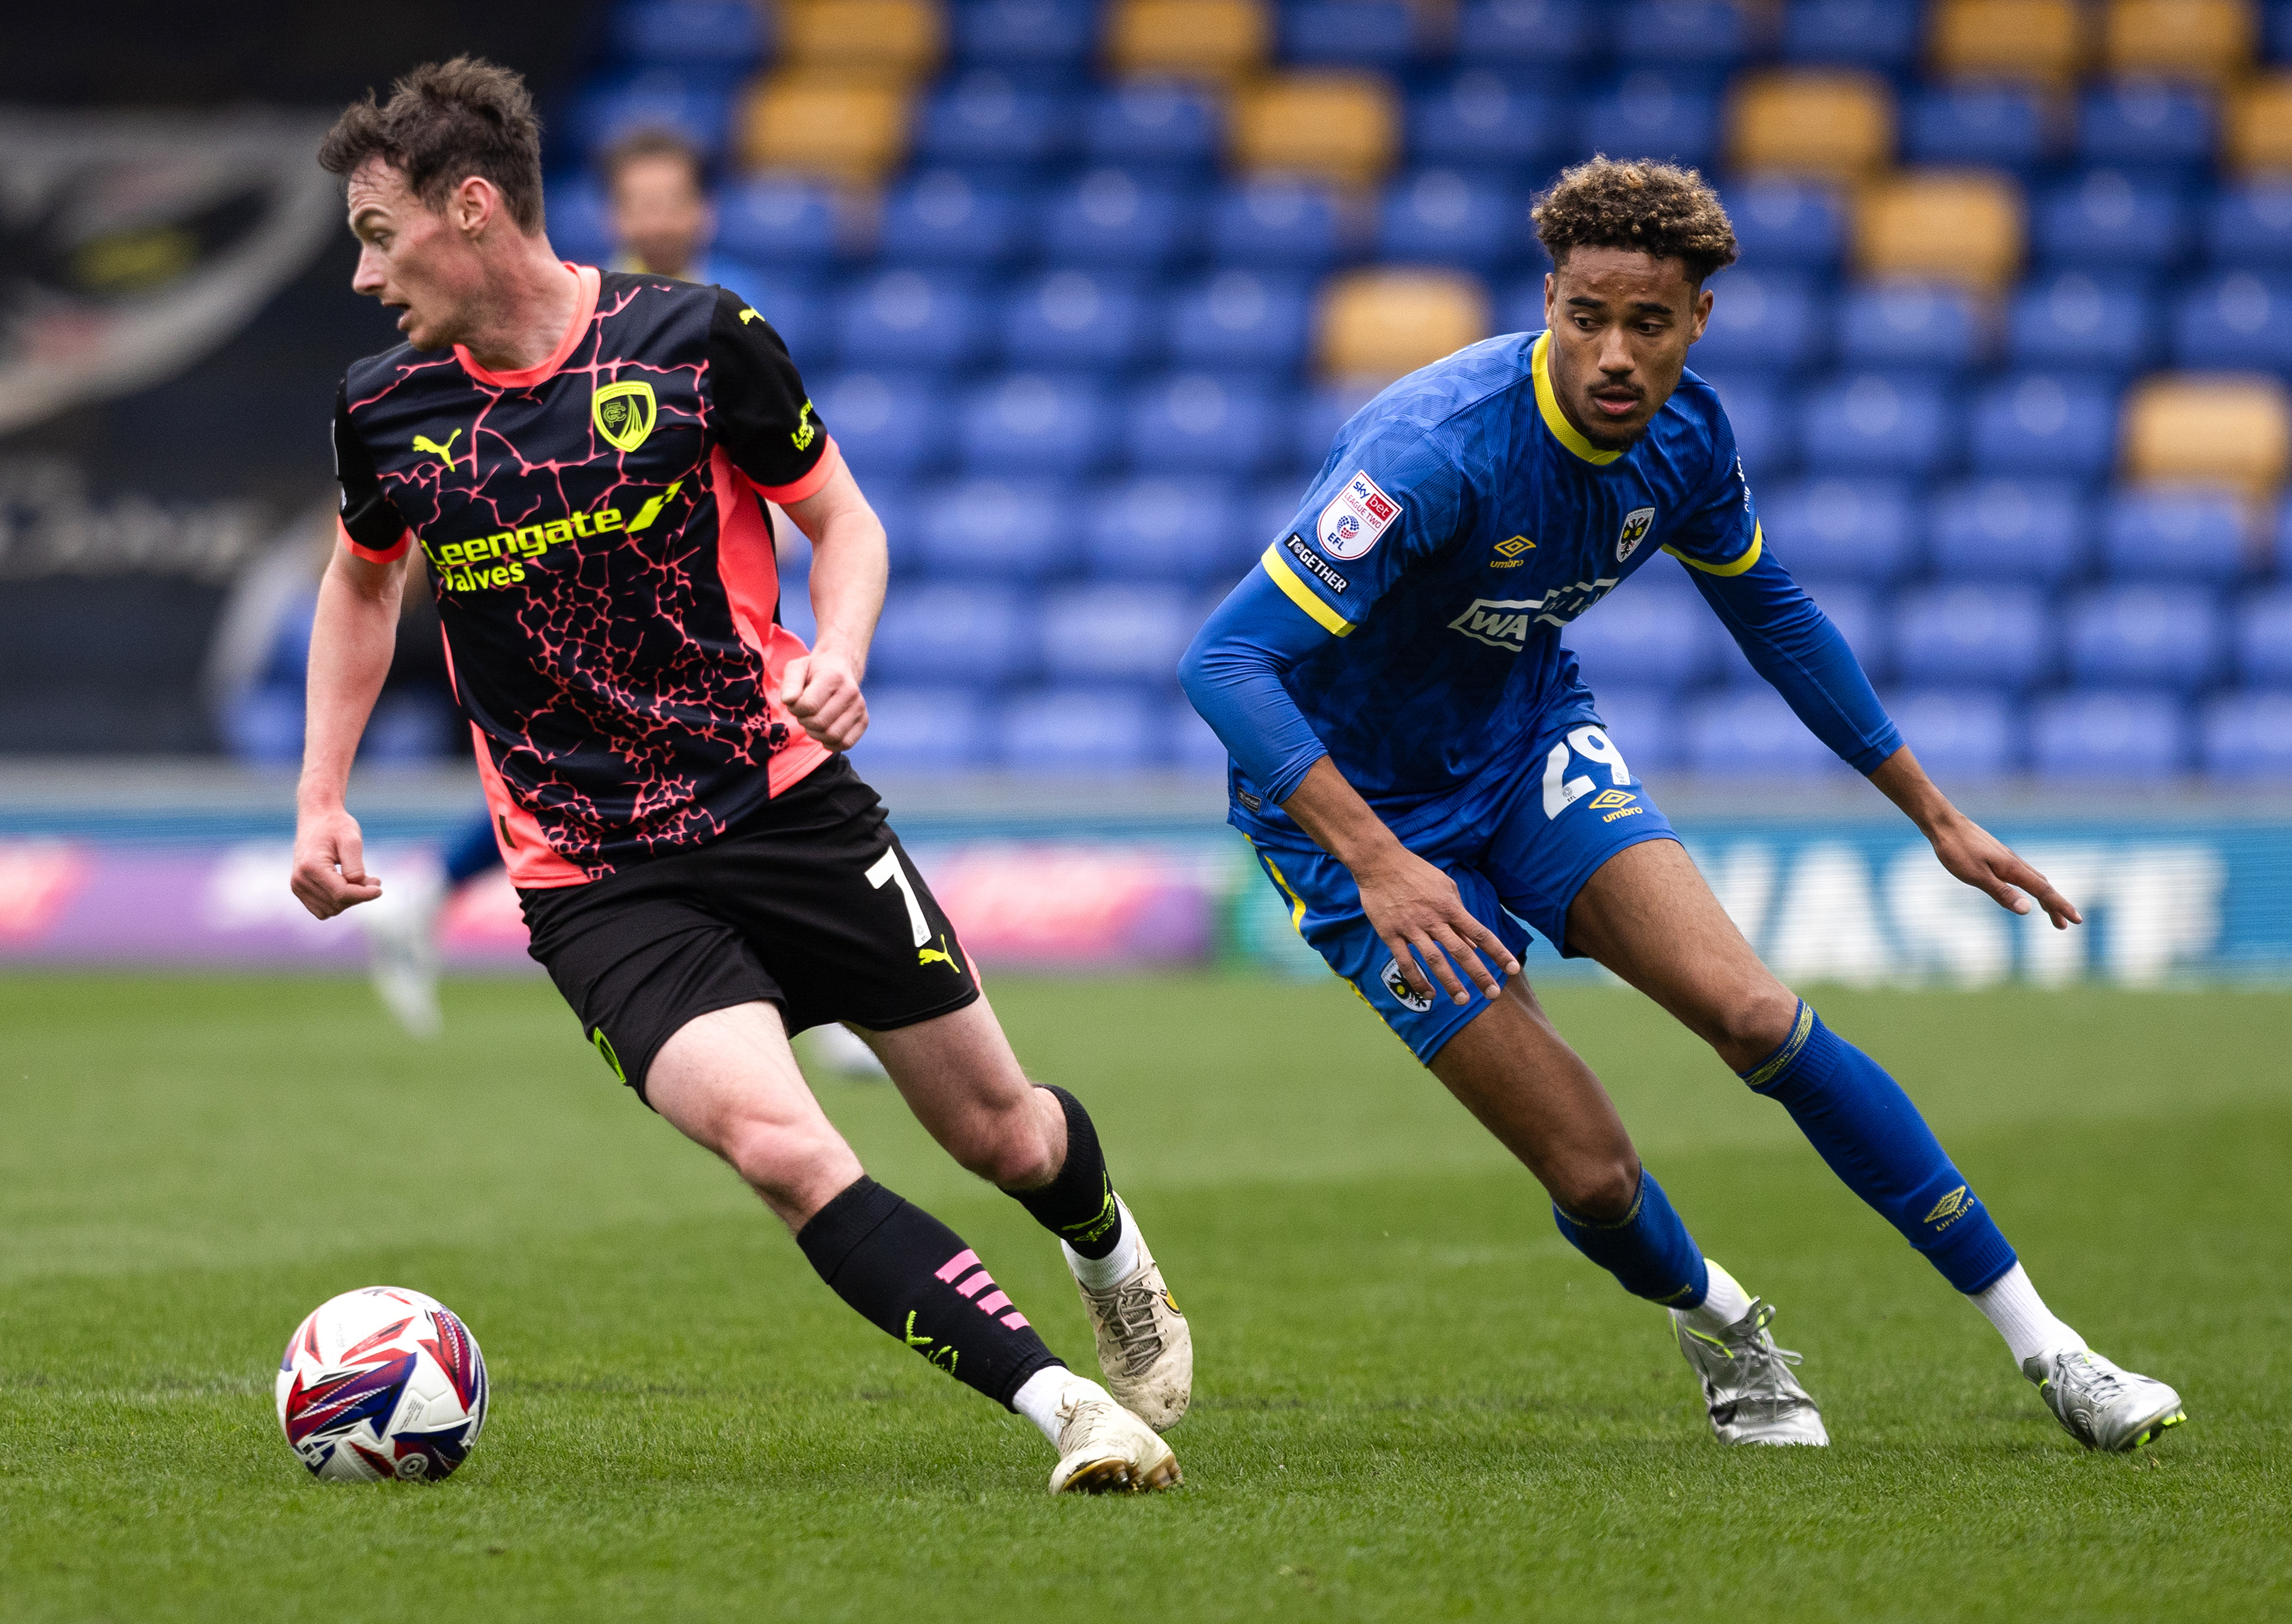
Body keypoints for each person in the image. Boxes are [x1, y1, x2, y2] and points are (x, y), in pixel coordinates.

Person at [1179, 156, 2183, 1454]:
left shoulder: (1690, 437)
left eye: (1646, 323)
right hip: (1344, 807)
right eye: (1584, 314)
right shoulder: (1432, 450)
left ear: (1696, 321)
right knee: (1593, 1172)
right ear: (1548, 298)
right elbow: (1225, 660)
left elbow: (1774, 614)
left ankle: (2055, 1348)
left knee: (1758, 1010)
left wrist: (1932, 809)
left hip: (1524, 741)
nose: (1612, 351)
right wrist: (1376, 858)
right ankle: (1722, 1322)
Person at [293, 57, 1188, 1494]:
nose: (360, 273)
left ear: (472, 208)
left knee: (999, 1130)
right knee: (782, 1148)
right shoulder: (383, 408)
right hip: (593, 874)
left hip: (782, 800)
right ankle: (1070, 1408)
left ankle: (1113, 1256)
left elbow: (843, 520)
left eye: (377, 232)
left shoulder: (700, 340)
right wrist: (320, 792)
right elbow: (358, 585)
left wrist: (840, 650)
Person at [357, 121, 889, 1077]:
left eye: (669, 198)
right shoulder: (570, 324)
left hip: (712, 626)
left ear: (701, 208)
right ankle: (825, 1001)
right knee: (610, 768)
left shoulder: (714, 318)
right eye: (637, 201)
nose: (655, 215)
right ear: (615, 213)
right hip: (579, 621)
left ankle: (435, 891)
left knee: (753, 778)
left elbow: (798, 472)